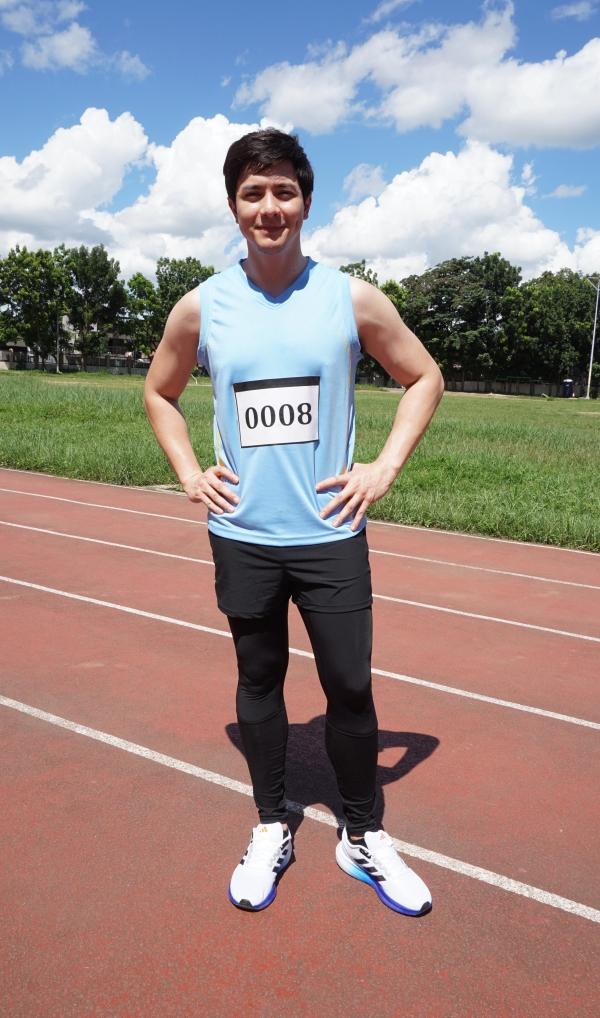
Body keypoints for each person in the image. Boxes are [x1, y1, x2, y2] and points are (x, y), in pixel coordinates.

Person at [144, 128, 444, 916]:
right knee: (258, 681)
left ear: (306, 202)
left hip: (331, 535)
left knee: (350, 686)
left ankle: (362, 833)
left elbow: (423, 376)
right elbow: (158, 393)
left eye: (284, 191)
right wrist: (188, 471)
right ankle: (272, 822)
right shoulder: (202, 306)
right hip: (244, 536)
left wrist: (383, 468)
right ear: (234, 206)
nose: (269, 207)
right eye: (254, 193)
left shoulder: (350, 298)